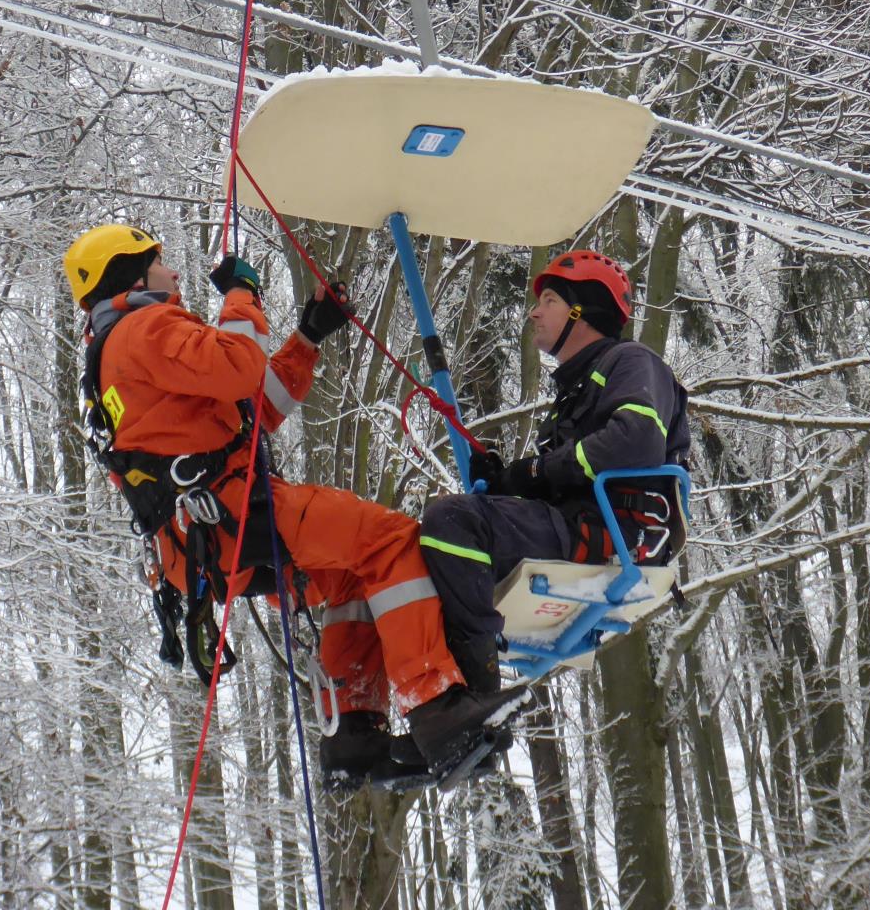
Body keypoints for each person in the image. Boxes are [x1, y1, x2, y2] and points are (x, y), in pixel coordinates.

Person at [64, 224, 525, 787]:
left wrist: (307, 337)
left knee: (350, 578)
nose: (175, 274)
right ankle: (440, 708)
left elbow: (250, 414)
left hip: (201, 543)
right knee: (389, 540)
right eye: (160, 264)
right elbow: (239, 366)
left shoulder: (112, 358)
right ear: (131, 275)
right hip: (232, 513)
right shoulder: (147, 327)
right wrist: (241, 295)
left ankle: (355, 738)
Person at [419, 249, 690, 691]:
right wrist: (507, 484)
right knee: (425, 545)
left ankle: (473, 693)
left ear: (582, 311)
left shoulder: (632, 362)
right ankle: (432, 700)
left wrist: (534, 473)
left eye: (549, 301)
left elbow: (635, 439)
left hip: (619, 530)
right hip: (580, 523)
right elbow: (564, 477)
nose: (533, 312)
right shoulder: (577, 388)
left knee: (453, 521)